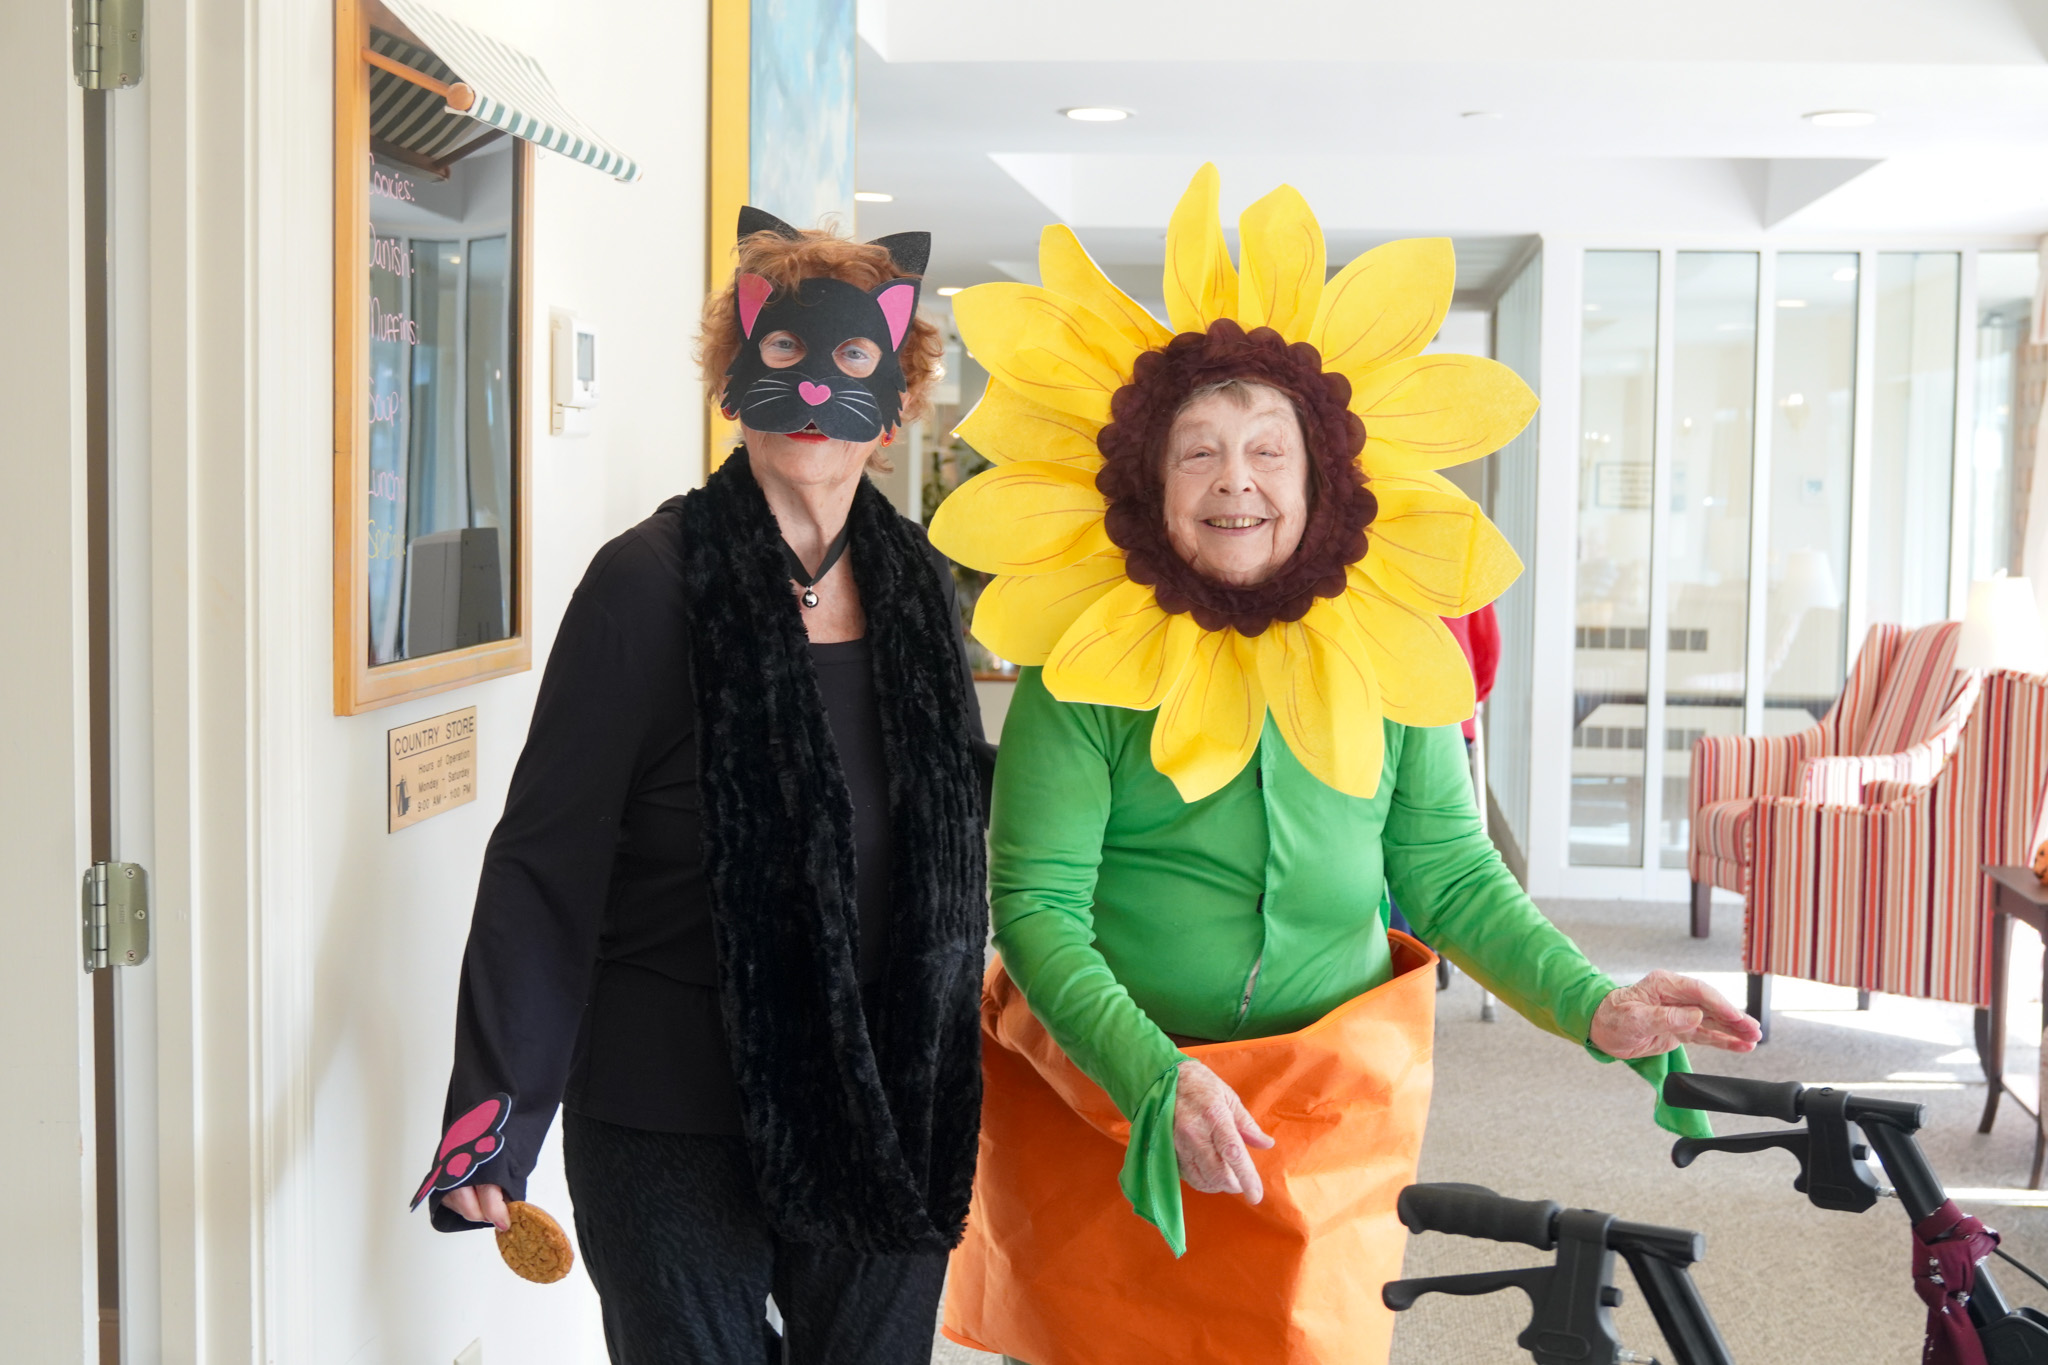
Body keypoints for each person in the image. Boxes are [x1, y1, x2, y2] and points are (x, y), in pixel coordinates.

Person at [927, 165, 1760, 1365]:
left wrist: (1595, 1004)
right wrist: (1157, 1082)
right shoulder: (1080, 663)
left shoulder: (1393, 643)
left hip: (1322, 1113)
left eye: (1267, 451)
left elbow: (1447, 873)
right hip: (1109, 1106)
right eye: (1198, 455)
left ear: (1318, 475)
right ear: (1144, 481)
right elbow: (1040, 912)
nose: (1235, 484)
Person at [410, 205, 994, 1365]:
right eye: (782, 355)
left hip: (884, 1095)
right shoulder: (645, 583)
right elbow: (547, 862)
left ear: (894, 407)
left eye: (852, 363)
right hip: (667, 1103)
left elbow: (960, 820)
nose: (818, 394)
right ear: (734, 382)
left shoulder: (923, 591)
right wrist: (496, 1113)